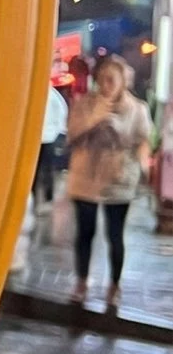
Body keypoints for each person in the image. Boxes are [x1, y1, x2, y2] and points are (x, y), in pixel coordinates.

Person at [65, 53, 152, 307]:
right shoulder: (85, 104)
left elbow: (143, 140)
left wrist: (121, 133)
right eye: (102, 79)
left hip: (118, 178)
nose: (106, 85)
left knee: (115, 234)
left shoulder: (137, 109)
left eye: (112, 79)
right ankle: (81, 281)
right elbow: (71, 135)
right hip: (86, 176)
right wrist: (94, 120)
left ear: (123, 81)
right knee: (85, 232)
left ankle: (114, 285)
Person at [34, 80, 69, 208]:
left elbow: (61, 113)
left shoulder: (52, 95)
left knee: (45, 169)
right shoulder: (45, 94)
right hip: (41, 138)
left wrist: (57, 131)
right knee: (38, 169)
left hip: (48, 138)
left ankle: (47, 196)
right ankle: (37, 197)